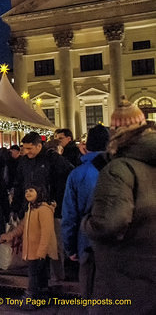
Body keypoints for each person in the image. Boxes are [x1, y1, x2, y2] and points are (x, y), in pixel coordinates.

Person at [82, 96, 156, 314]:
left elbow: (109, 224)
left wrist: (86, 224)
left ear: (115, 132)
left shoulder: (119, 169)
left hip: (126, 275)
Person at [12, 131, 73, 284]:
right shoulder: (24, 161)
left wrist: (57, 200)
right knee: (35, 242)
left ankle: (57, 278)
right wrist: (16, 206)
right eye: (24, 148)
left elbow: (68, 174)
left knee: (53, 244)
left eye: (29, 148)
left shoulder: (51, 158)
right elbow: (19, 184)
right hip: (30, 208)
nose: (26, 152)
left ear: (39, 146)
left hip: (50, 208)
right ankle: (40, 279)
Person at [61, 124, 110, 299]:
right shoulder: (121, 169)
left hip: (87, 242)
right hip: (116, 242)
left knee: (89, 291)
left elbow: (70, 215)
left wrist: (70, 248)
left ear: (86, 146)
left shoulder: (77, 174)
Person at [0, 184, 58, 302]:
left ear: (39, 192)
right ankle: (41, 295)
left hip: (38, 251)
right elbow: (22, 226)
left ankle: (30, 297)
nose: (28, 193)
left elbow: (47, 233)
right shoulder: (31, 209)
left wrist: (41, 252)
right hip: (33, 250)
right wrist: (9, 235)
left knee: (33, 274)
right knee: (39, 275)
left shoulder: (44, 210)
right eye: (26, 191)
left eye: (31, 190)